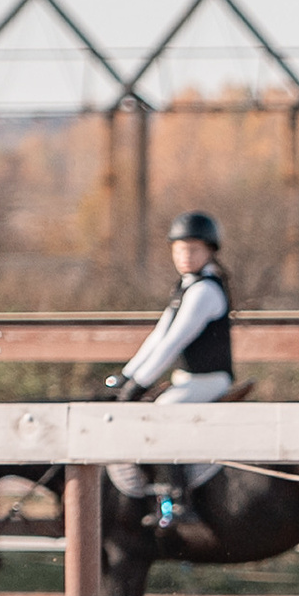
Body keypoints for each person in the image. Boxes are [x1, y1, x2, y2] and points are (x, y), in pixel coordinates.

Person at [105, 210, 235, 530]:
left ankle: (178, 501)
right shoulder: (184, 287)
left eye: (192, 249)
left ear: (209, 251)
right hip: (188, 379)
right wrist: (127, 375)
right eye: (179, 249)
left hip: (210, 380)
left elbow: (174, 343)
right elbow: (158, 336)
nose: (185, 255)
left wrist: (139, 383)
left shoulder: (206, 290)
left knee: (161, 414)